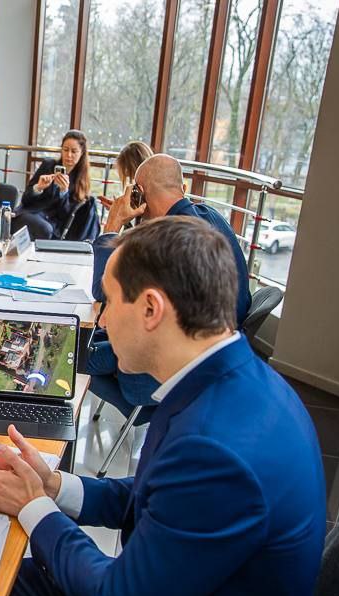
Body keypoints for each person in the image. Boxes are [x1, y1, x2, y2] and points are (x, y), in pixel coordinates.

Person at [0, 216, 325, 596]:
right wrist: (53, 486)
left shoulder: (218, 450)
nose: (102, 319)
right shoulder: (231, 382)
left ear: (150, 309)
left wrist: (32, 507)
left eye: (108, 300)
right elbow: (159, 495)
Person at [86, 153, 253, 415]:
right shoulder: (210, 217)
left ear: (139, 194)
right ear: (182, 188)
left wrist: (113, 223)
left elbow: (102, 290)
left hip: (174, 368)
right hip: (213, 357)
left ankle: (138, 413)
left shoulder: (167, 241)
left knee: (76, 354)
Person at [14, 130, 97, 241]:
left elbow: (65, 216)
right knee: (44, 229)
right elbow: (25, 200)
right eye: (65, 150)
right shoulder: (48, 165)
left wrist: (64, 192)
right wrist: (38, 188)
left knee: (47, 230)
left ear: (81, 153)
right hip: (31, 213)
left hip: (53, 225)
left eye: (74, 151)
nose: (69, 155)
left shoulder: (81, 181)